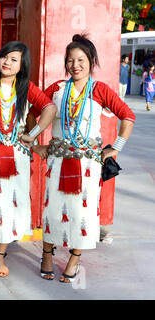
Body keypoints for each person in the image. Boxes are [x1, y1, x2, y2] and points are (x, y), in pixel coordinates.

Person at [29, 34, 135, 283]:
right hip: (57, 161)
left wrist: (115, 148)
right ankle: (46, 255)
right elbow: (33, 113)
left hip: (88, 164)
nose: (75, 65)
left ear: (91, 61)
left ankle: (74, 259)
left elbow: (127, 116)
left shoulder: (100, 90)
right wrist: (35, 144)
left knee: (82, 214)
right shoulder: (57, 89)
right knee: (52, 211)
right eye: (70, 60)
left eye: (81, 59)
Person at [0, 41, 56, 278]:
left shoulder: (26, 87)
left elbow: (49, 108)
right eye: (4, 57)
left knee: (10, 206)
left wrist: (32, 135)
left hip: (17, 156)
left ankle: (0, 255)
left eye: (14, 59)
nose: (7, 62)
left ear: (21, 66)